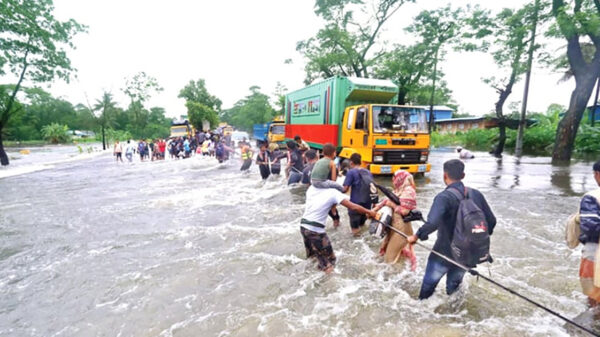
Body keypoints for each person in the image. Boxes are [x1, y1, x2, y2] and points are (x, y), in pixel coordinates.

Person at [407, 159, 496, 299]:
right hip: (466, 255)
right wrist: (473, 239)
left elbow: (432, 223)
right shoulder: (476, 194)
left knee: (427, 290)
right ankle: (454, 316)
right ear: (463, 175)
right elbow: (491, 221)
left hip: (442, 253)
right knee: (453, 292)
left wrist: (416, 236)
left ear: (444, 175)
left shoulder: (443, 197)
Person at [300, 183, 378, 273]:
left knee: (313, 258)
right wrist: (370, 212)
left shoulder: (312, 188)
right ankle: (330, 284)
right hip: (316, 231)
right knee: (330, 261)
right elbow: (353, 207)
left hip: (304, 227)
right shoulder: (333, 193)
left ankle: (308, 276)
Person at [372, 170, 418, 270]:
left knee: (389, 260)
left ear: (400, 178)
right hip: (393, 227)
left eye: (394, 177)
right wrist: (374, 209)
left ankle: (396, 280)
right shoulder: (397, 190)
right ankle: (403, 270)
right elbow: (386, 201)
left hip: (401, 229)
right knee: (384, 250)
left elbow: (405, 211)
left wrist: (392, 205)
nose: (392, 180)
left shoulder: (409, 191)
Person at [578, 160, 600, 306]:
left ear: (598, 175)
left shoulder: (592, 197)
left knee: (594, 299)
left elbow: (591, 228)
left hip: (595, 253)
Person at [342, 153, 376, 236]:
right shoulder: (368, 172)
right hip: (366, 206)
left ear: (351, 163)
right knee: (362, 228)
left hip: (355, 206)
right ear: (360, 162)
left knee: (355, 232)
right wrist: (374, 204)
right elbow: (373, 188)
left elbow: (345, 189)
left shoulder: (351, 172)